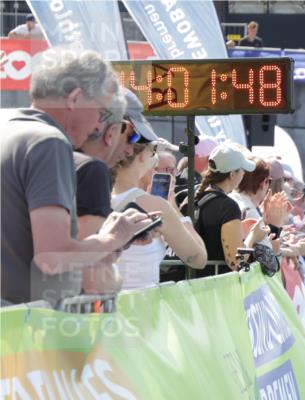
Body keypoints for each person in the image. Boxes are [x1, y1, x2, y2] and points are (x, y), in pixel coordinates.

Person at [1, 48, 148, 307]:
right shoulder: (48, 142)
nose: (98, 127)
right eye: (102, 112)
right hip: (20, 332)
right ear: (75, 99)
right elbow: (52, 256)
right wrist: (113, 237)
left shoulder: (9, 127)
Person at [112, 139, 208, 290]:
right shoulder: (156, 206)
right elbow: (198, 259)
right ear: (142, 157)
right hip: (141, 306)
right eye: (152, 153)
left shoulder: (91, 199)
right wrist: (175, 210)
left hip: (102, 306)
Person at [74, 89, 130, 294]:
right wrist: (115, 239)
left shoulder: (39, 154)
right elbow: (93, 278)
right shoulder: (92, 171)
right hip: (62, 315)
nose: (131, 150)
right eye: (132, 138)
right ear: (111, 133)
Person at [190, 143, 255, 276]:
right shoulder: (227, 206)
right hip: (213, 289)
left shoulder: (193, 197)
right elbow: (236, 262)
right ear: (232, 174)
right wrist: (254, 236)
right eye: (242, 170)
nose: (243, 174)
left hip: (189, 283)